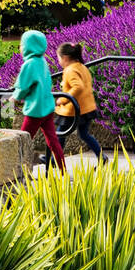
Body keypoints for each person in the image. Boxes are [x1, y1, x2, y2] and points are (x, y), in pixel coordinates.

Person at [12, 29, 66, 171]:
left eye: (22, 44)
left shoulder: (29, 64)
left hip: (35, 111)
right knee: (53, 141)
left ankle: (19, 171)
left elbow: (22, 87)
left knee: (22, 140)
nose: (20, 47)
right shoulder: (42, 61)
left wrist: (14, 97)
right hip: (47, 108)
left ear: (29, 46)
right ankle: (62, 170)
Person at [54, 42, 103, 162]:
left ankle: (53, 160)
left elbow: (78, 86)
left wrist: (63, 99)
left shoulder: (70, 70)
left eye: (58, 58)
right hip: (87, 108)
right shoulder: (81, 66)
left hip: (74, 109)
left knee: (60, 134)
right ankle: (102, 157)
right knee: (83, 134)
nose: (58, 61)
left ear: (65, 58)